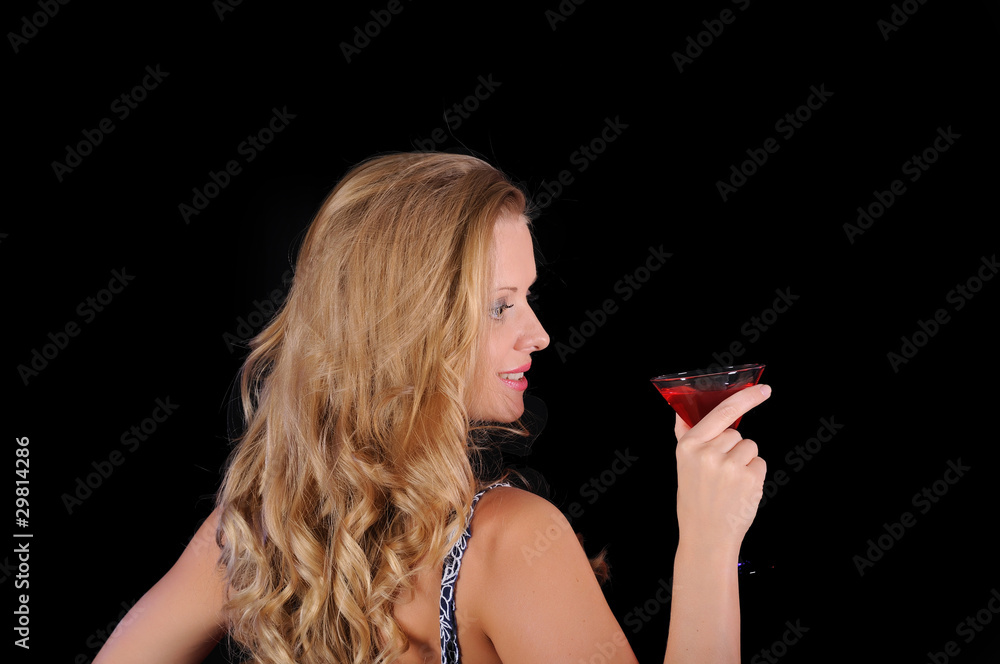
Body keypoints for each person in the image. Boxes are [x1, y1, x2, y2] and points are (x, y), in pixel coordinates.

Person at [93, 151, 770, 664]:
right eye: (499, 306)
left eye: (528, 298)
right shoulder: (511, 541)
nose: (538, 334)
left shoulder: (258, 529)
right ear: (409, 328)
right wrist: (709, 545)